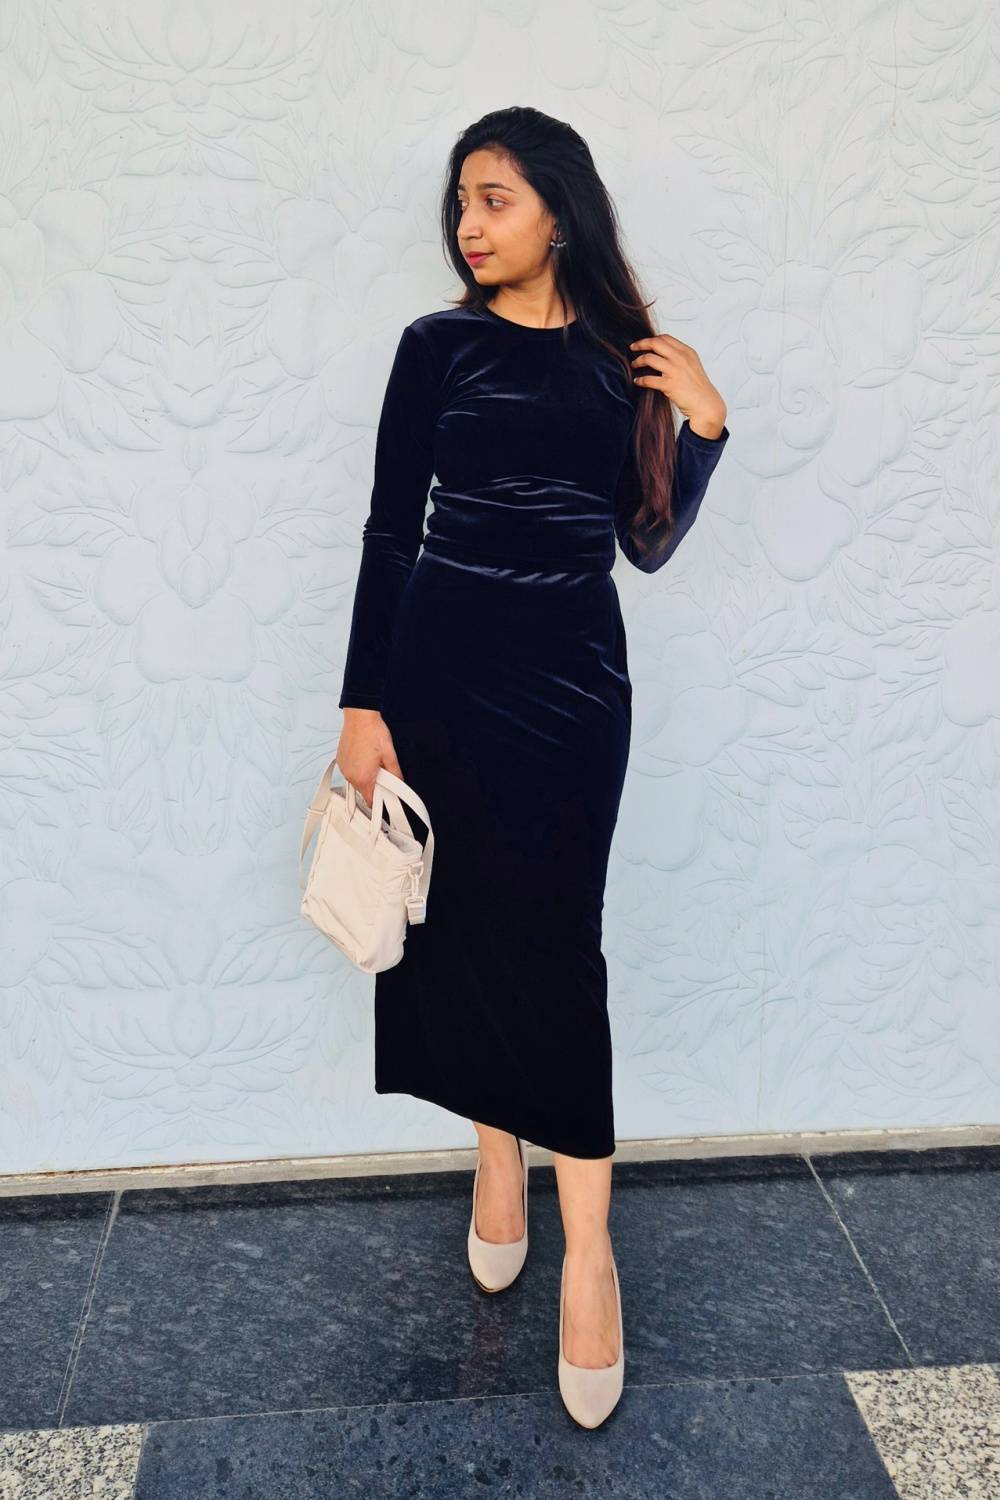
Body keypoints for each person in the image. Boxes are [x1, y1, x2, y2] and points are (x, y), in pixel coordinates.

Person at [335, 105, 729, 1429]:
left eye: (494, 198)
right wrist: (363, 704)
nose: (470, 223)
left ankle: (592, 1255)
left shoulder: (623, 362)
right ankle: (495, 1154)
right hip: (439, 673)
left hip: (570, 686)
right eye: (461, 201)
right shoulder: (435, 346)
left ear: (559, 209)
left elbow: (645, 543)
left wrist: (705, 427)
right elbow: (390, 529)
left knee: (557, 948)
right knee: (456, 927)